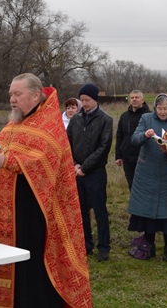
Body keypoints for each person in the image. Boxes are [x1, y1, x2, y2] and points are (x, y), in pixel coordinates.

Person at [0, 73, 92, 307]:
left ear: (36, 94)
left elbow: (43, 163)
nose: (12, 99)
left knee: (28, 269)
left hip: (31, 213)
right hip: (3, 210)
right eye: (11, 94)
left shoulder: (49, 125)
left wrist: (6, 161)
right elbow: (1, 153)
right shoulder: (13, 123)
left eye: (17, 94)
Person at [127, 93, 167, 261]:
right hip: (147, 173)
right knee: (148, 213)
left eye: (165, 108)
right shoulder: (146, 119)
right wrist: (145, 135)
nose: (162, 112)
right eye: (160, 108)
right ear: (155, 108)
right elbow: (134, 139)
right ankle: (149, 246)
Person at [66, 83, 113, 262]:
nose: (84, 104)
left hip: (95, 173)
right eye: (82, 100)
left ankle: (104, 247)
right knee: (81, 211)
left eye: (87, 100)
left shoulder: (105, 120)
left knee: (100, 211)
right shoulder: (76, 120)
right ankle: (86, 245)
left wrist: (84, 167)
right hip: (77, 172)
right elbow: (67, 144)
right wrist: (74, 165)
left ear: (95, 100)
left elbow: (103, 147)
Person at [115, 90, 151, 190]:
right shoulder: (124, 116)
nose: (134, 99)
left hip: (143, 158)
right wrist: (118, 156)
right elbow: (119, 136)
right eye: (132, 98)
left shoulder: (149, 116)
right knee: (132, 186)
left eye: (137, 97)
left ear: (143, 100)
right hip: (127, 158)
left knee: (144, 187)